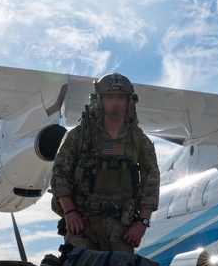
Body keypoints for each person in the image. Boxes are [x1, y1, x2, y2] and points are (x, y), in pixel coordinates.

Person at [50, 73, 160, 253]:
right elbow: (59, 173)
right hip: (84, 227)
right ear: (100, 100)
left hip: (123, 230)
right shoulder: (79, 136)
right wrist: (69, 212)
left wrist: (142, 223)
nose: (115, 102)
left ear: (128, 101)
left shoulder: (140, 141)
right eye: (109, 97)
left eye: (120, 97)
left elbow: (151, 183)